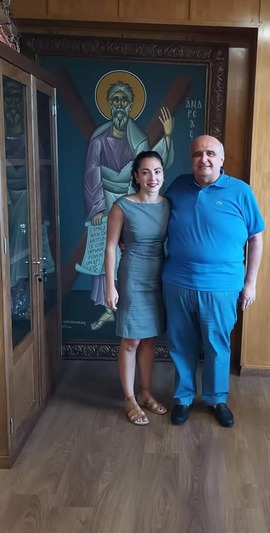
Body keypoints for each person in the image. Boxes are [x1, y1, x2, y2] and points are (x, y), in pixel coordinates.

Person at [162, 134, 265, 428]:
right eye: (197, 154)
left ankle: (216, 399)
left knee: (217, 345)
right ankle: (183, 398)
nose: (203, 159)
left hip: (222, 286)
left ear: (222, 159)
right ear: (190, 159)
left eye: (210, 154)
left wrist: (250, 284)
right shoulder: (177, 187)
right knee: (180, 343)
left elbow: (256, 238)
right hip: (178, 282)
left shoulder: (241, 191)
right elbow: (154, 221)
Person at [81, 80, 174, 330]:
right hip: (108, 200)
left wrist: (167, 137)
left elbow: (154, 162)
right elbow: (91, 174)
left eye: (124, 100)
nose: (120, 105)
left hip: (133, 202)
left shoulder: (138, 138)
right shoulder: (99, 140)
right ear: (109, 105)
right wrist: (98, 206)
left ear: (131, 105)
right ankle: (107, 304)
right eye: (115, 100)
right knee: (108, 255)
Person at [105, 151, 170, 426]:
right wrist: (110, 285)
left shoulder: (168, 205)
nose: (152, 177)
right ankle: (129, 398)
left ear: (163, 174)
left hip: (160, 276)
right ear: (136, 176)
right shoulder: (122, 206)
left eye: (157, 171)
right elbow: (111, 247)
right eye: (145, 172)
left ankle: (145, 392)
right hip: (132, 275)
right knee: (131, 340)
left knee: (150, 339)